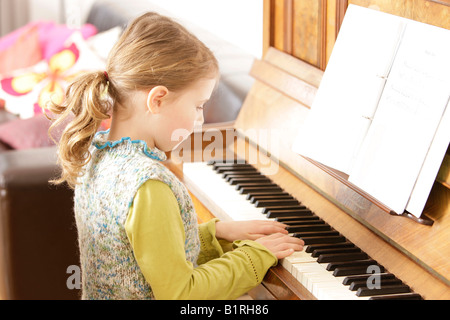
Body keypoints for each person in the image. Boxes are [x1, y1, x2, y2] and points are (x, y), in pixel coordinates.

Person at [48, 12, 304, 300]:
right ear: (157, 99)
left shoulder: (97, 154)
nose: (201, 119)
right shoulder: (148, 184)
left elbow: (144, 255)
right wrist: (257, 256)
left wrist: (216, 234)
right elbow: (182, 294)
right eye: (197, 106)